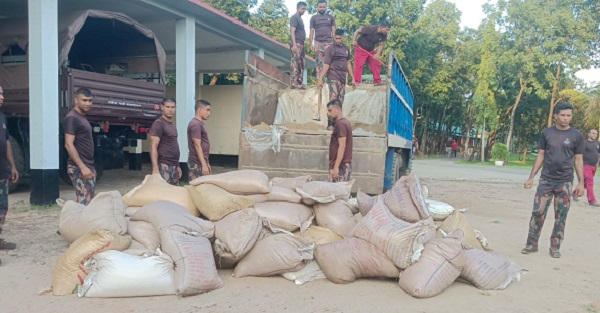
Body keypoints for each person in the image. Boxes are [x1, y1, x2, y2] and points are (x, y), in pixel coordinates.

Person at [521, 102, 585, 258]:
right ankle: (531, 244)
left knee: (561, 215)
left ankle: (555, 247)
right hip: (546, 181)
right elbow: (541, 155)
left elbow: (578, 159)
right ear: (556, 115)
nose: (565, 118)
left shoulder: (577, 135)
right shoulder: (547, 133)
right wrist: (531, 177)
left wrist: (581, 183)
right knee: (538, 212)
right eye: (562, 115)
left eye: (568, 116)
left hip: (565, 182)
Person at [64, 88, 96, 205]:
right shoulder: (72, 117)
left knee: (88, 201)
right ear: (76, 100)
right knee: (84, 203)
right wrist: (82, 167)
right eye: (84, 100)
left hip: (88, 164)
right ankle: (78, 223)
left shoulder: (82, 117)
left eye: (90, 100)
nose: (88, 103)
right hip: (79, 167)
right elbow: (68, 144)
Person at [0, 85, 18, 257]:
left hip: (2, 171)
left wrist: (12, 166)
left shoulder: (2, 117)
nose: (2, 97)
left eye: (2, 93)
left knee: (2, 208)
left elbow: (6, 143)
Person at [317, 29, 356, 105]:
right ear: (334, 37)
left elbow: (348, 64)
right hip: (333, 77)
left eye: (339, 38)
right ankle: (330, 117)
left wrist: (353, 78)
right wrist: (320, 78)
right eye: (336, 38)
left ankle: (339, 117)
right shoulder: (330, 49)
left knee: (340, 102)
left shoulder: (346, 48)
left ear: (343, 37)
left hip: (343, 78)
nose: (338, 40)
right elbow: (326, 65)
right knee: (333, 101)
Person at [150, 97, 181, 185]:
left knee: (174, 194)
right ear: (162, 107)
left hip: (174, 165)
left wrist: (178, 166)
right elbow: (153, 147)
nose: (170, 110)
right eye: (167, 107)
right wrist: (155, 168)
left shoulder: (172, 125)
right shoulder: (159, 123)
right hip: (164, 165)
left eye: (172, 107)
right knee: (164, 194)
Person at [352, 21, 391, 85]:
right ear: (382, 27)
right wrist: (353, 40)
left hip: (370, 50)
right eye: (387, 29)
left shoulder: (384, 35)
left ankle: (377, 81)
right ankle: (357, 81)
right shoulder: (371, 28)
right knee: (359, 64)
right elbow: (357, 31)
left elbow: (381, 45)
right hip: (361, 48)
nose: (387, 31)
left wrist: (377, 54)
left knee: (376, 62)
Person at [327, 99, 353, 182]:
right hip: (341, 165)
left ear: (337, 109)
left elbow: (342, 146)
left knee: (336, 193)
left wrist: (336, 167)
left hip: (341, 166)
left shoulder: (341, 124)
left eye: (330, 110)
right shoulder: (344, 123)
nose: (328, 113)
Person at [309, 0, 336, 80]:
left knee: (329, 62)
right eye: (320, 7)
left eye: (324, 7)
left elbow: (333, 29)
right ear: (317, 7)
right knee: (319, 64)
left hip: (329, 43)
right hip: (318, 43)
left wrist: (335, 42)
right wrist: (311, 44)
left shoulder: (330, 17)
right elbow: (311, 31)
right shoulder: (313, 18)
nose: (322, 8)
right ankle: (320, 82)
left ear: (326, 7)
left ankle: (330, 81)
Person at [188, 100, 212, 181]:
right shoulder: (196, 124)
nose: (209, 113)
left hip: (201, 162)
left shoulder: (199, 124)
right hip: (196, 163)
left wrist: (206, 162)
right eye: (207, 110)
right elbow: (197, 145)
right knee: (197, 189)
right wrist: (203, 164)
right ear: (199, 110)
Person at [289, 2, 307, 89]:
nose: (303, 11)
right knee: (295, 63)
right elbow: (292, 32)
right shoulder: (295, 18)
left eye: (304, 9)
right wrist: (294, 45)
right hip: (297, 43)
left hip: (302, 43)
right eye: (302, 9)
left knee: (301, 63)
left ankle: (299, 82)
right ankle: (294, 82)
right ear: (298, 8)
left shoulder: (300, 19)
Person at [583, 129, 600, 206]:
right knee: (590, 181)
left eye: (596, 134)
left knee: (586, 183)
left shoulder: (597, 143)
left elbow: (598, 154)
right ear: (589, 134)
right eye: (593, 133)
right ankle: (592, 200)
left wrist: (597, 163)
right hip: (586, 165)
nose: (595, 135)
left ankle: (575, 193)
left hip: (594, 166)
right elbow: (579, 154)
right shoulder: (584, 143)